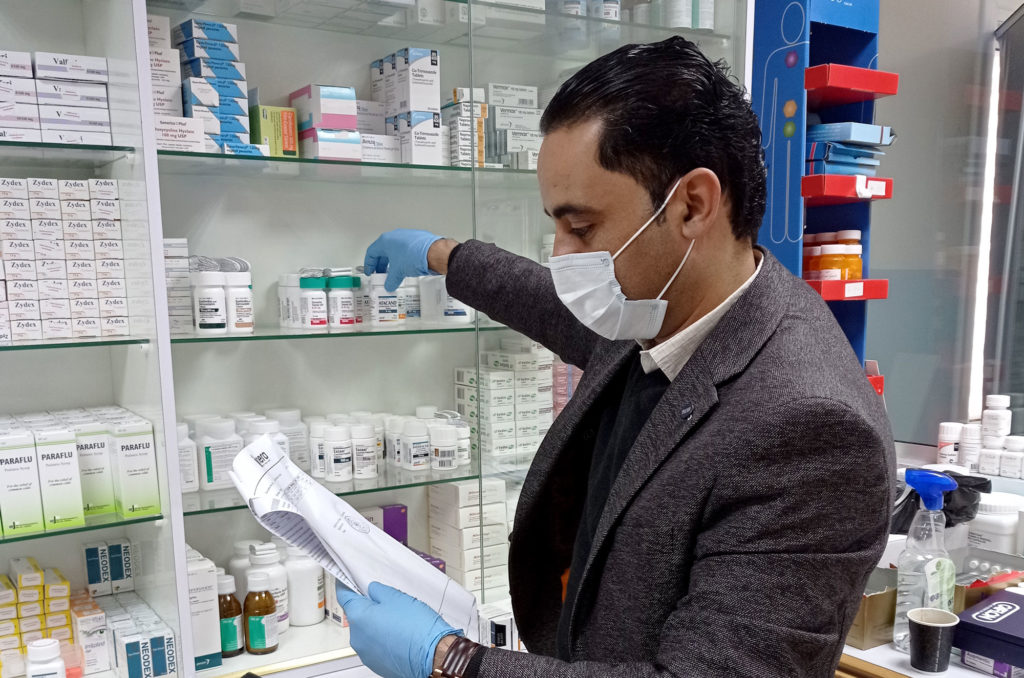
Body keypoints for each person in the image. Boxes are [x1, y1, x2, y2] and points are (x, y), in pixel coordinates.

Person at [336, 36, 895, 678]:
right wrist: (442, 255)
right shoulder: (665, 304)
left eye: (582, 227)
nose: (563, 255)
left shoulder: (808, 430)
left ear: (692, 205)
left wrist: (452, 662)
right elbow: (547, 300)